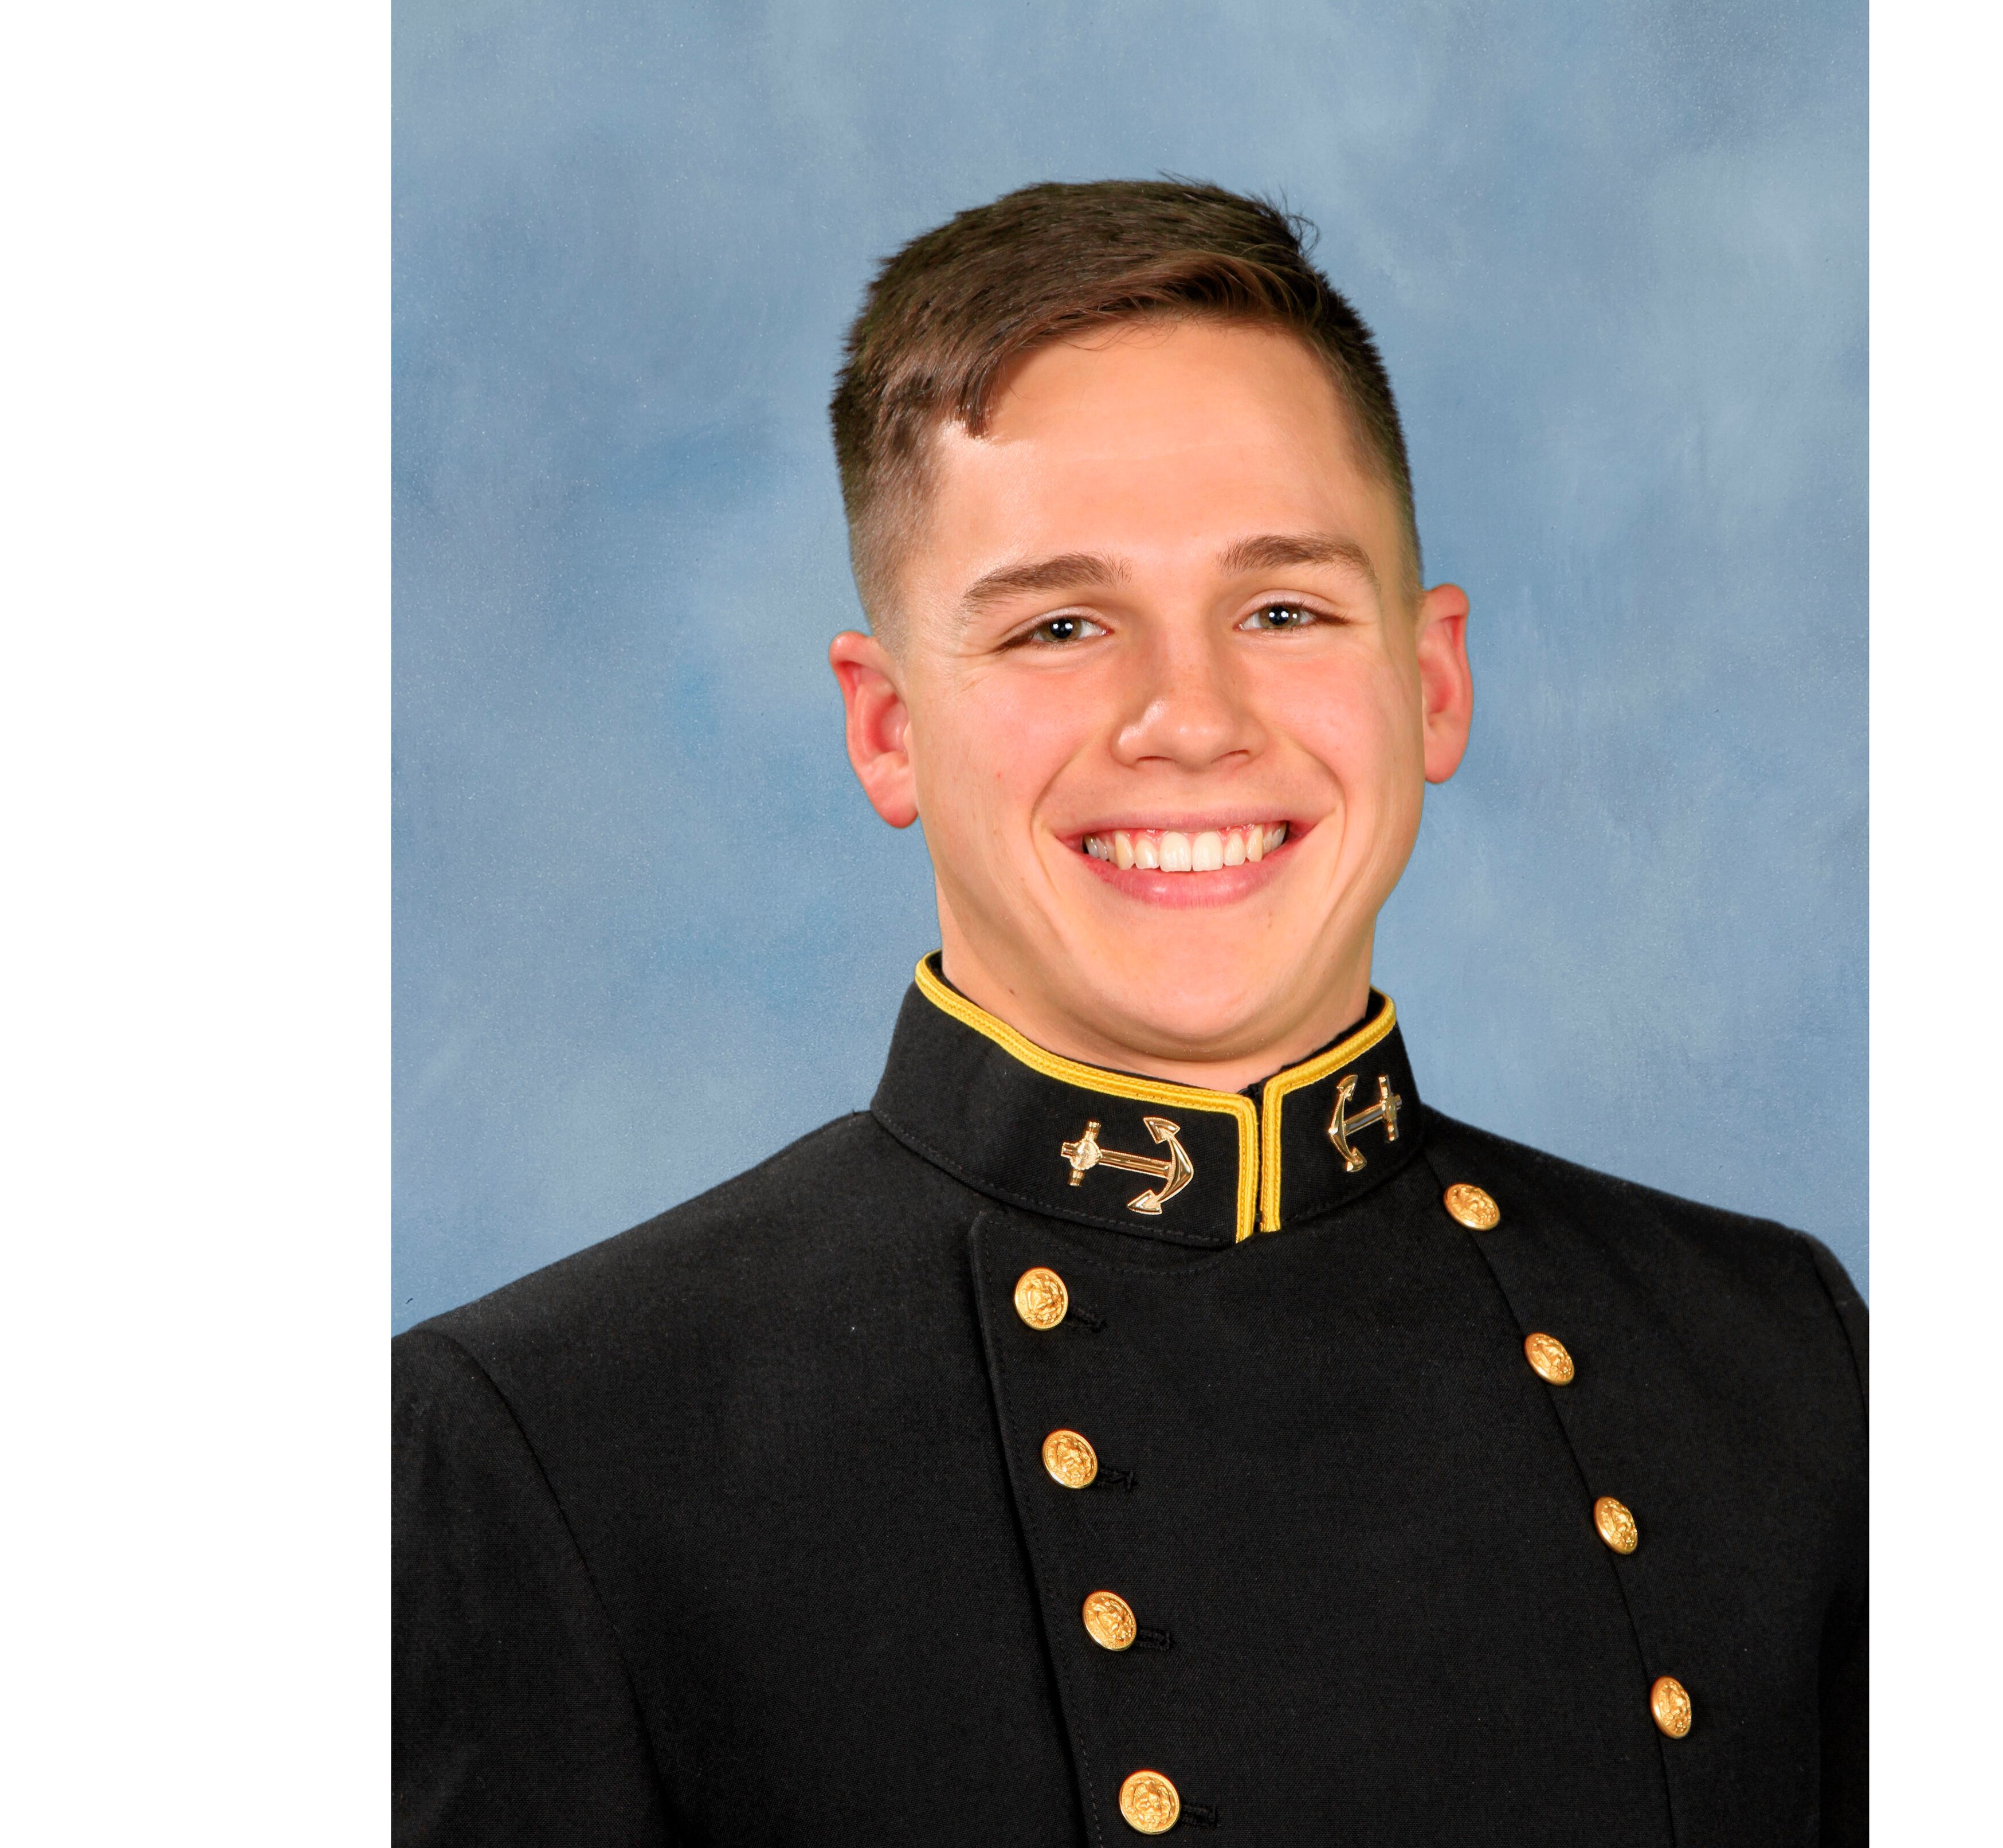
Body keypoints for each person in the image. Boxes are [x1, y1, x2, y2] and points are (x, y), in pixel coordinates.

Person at [394, 178, 1865, 1846]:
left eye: (1285, 609)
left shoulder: (1774, 1362)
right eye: (1063, 625)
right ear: (885, 731)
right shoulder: (554, 1450)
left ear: (1431, 683)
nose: (1190, 719)